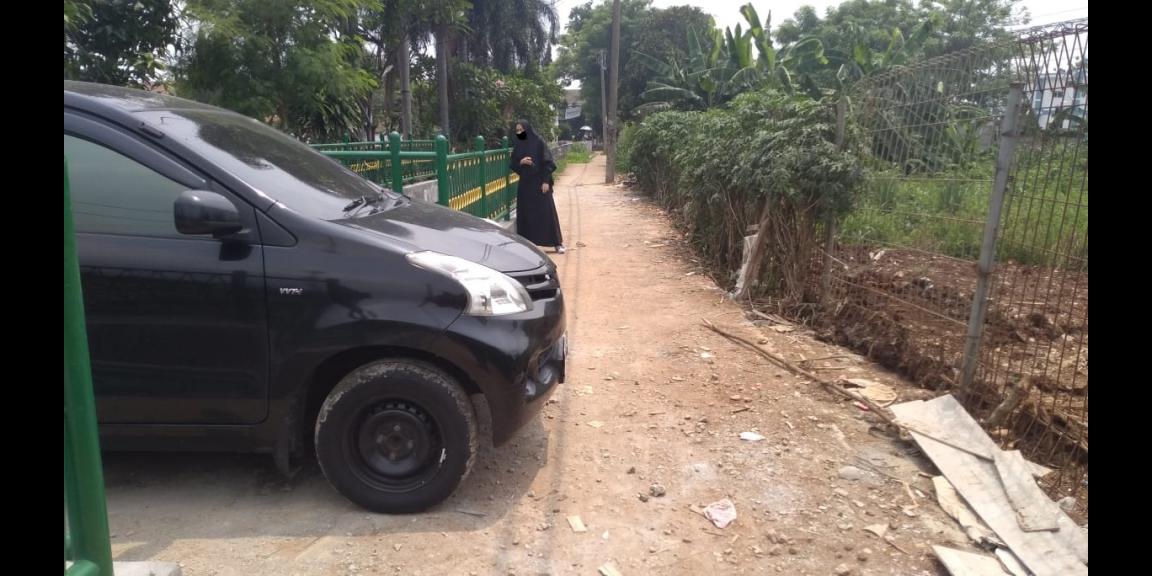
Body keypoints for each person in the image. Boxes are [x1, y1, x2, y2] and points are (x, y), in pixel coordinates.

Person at [510, 119, 565, 254]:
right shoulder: (518, 145)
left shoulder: (538, 142)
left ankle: (557, 243)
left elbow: (548, 163)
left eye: (521, 130)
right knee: (526, 215)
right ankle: (527, 246)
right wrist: (521, 161)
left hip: (540, 183)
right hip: (525, 185)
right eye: (517, 130)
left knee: (546, 212)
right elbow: (513, 164)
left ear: (528, 129)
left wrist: (545, 181)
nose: (519, 132)